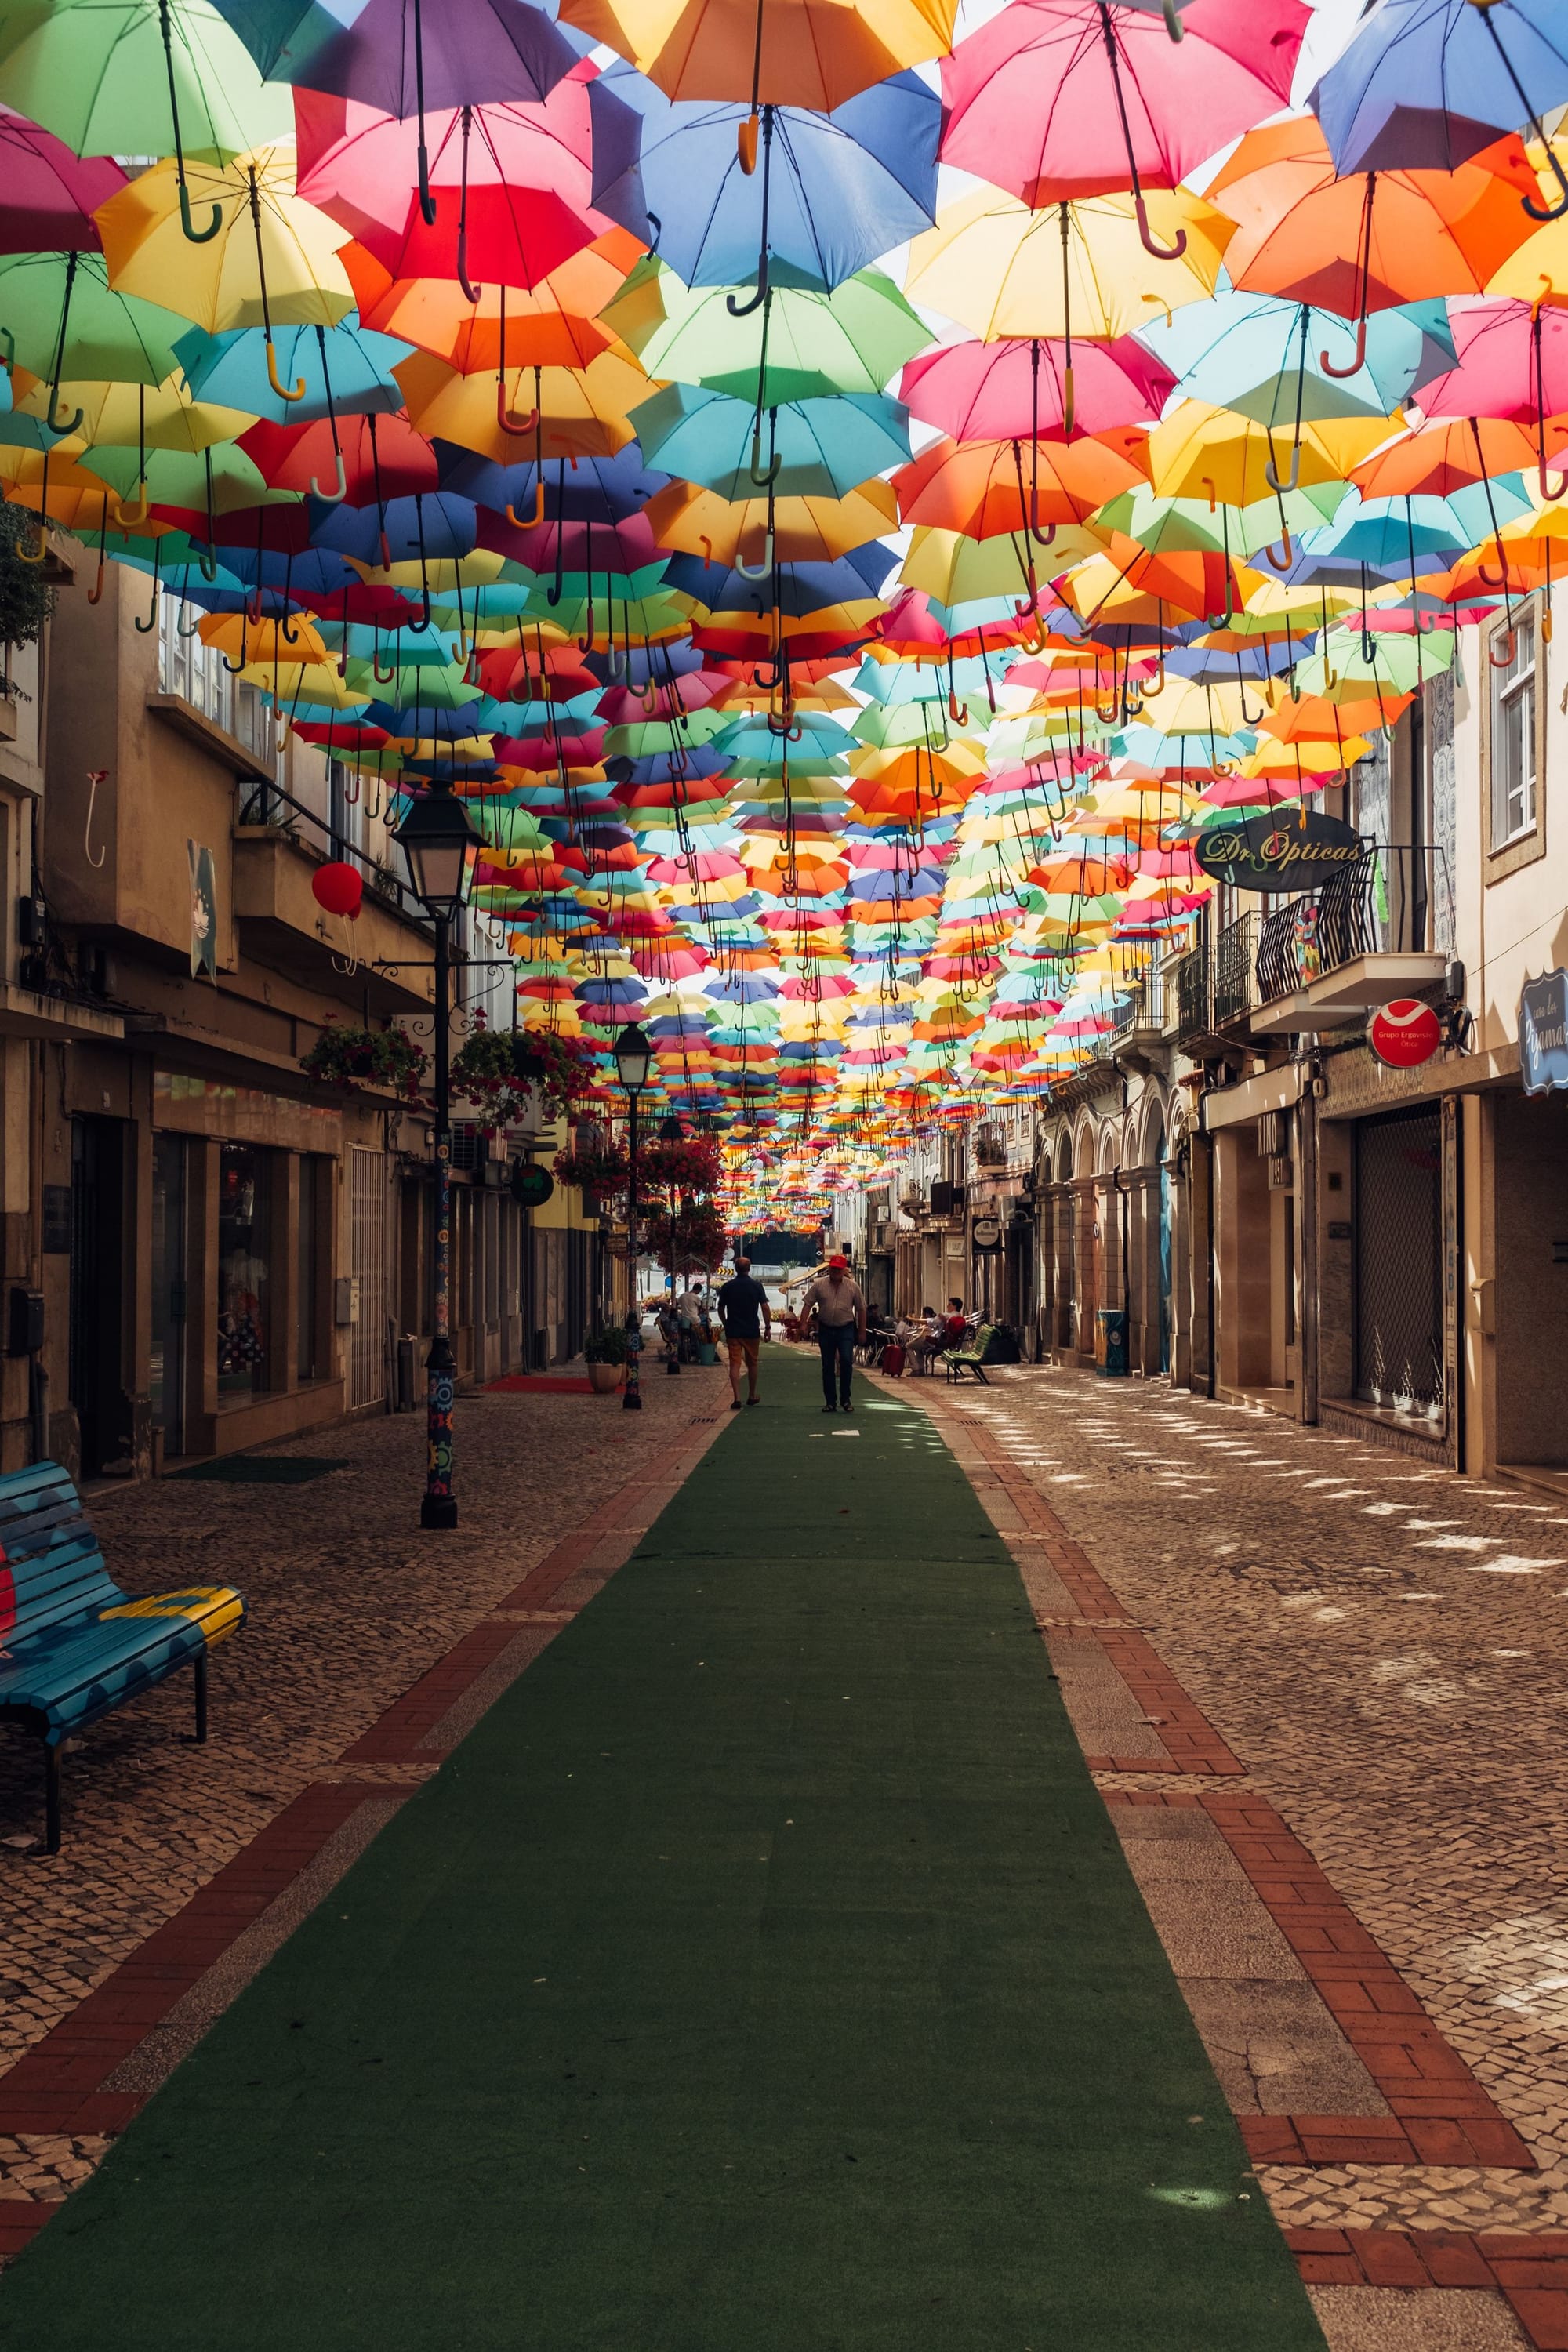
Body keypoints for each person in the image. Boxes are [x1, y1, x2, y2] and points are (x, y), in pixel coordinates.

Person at [801, 1254, 867, 1413]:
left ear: (844, 1269)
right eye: (833, 1268)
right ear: (829, 1269)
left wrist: (862, 1331)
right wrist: (803, 1324)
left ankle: (846, 1399)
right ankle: (830, 1401)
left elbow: (861, 1309)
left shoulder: (853, 1286)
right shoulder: (819, 1285)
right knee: (827, 1365)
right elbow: (807, 1304)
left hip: (846, 1328)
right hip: (826, 1328)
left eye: (838, 1269)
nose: (835, 1271)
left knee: (846, 1361)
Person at [717, 1254, 772, 1410]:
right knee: (752, 1363)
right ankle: (752, 1395)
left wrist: (725, 1323)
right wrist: (767, 1327)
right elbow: (765, 1307)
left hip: (733, 1330)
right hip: (751, 1330)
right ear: (749, 1268)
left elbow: (720, 1309)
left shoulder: (727, 1287)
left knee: (734, 1364)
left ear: (735, 1269)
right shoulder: (756, 1286)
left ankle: (737, 1398)